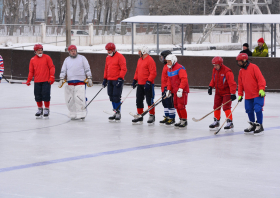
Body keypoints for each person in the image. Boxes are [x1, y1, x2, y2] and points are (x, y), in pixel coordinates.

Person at [59, 45, 93, 120]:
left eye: (74, 50)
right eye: (71, 51)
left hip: (80, 80)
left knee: (80, 97)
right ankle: (73, 112)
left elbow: (87, 68)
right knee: (71, 98)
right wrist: (61, 78)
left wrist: (89, 77)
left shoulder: (82, 58)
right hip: (70, 81)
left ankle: (82, 112)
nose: (73, 52)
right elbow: (63, 70)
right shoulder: (67, 60)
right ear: (69, 52)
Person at [237, 53, 266, 135]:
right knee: (248, 109)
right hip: (248, 94)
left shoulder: (254, 67)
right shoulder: (241, 71)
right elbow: (241, 84)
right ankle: (253, 124)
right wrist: (240, 94)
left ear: (245, 61)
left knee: (257, 108)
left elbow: (261, 79)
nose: (238, 63)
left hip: (257, 93)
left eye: (240, 61)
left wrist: (261, 89)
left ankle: (260, 125)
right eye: (238, 61)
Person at [26, 44, 55, 118]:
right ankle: (40, 109)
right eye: (38, 50)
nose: (40, 51)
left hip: (46, 81)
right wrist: (29, 80)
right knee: (37, 96)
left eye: (41, 50)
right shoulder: (32, 60)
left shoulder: (47, 57)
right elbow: (31, 71)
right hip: (37, 81)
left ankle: (46, 109)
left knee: (46, 95)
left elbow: (51, 67)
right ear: (35, 51)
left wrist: (51, 77)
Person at [208, 56, 237, 130]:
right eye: (214, 65)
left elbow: (232, 83)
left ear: (220, 64)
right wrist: (210, 86)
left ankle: (229, 122)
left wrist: (233, 93)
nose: (215, 67)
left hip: (226, 92)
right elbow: (213, 79)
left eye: (216, 65)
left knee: (226, 107)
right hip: (218, 92)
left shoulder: (227, 71)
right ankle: (216, 121)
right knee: (216, 106)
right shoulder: (214, 70)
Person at [131, 46, 157, 125]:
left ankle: (152, 115)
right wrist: (135, 79)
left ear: (143, 52)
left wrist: (149, 81)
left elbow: (153, 72)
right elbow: (137, 71)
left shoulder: (150, 60)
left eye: (139, 51)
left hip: (148, 84)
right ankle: (140, 116)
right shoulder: (139, 60)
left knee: (149, 100)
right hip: (140, 84)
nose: (138, 53)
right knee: (139, 100)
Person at [102, 42, 127, 122]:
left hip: (117, 79)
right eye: (107, 50)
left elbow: (124, 69)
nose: (108, 52)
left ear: (113, 49)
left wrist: (120, 78)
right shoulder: (107, 58)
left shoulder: (120, 57)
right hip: (110, 79)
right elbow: (106, 69)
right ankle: (115, 111)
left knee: (116, 96)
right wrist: (105, 79)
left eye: (109, 50)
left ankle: (118, 112)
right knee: (111, 96)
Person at [165, 54, 189, 129]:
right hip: (175, 91)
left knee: (181, 105)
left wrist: (181, 89)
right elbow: (169, 81)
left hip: (182, 91)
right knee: (176, 105)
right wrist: (169, 90)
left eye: (169, 62)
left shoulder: (180, 68)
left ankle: (184, 120)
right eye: (167, 62)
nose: (167, 63)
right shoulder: (169, 69)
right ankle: (181, 119)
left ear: (173, 61)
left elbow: (184, 79)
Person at [159, 50, 176, 126]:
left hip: (168, 88)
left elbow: (170, 79)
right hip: (164, 88)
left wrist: (168, 88)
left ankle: (172, 118)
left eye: (163, 57)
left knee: (170, 103)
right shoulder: (165, 66)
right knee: (164, 103)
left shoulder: (169, 66)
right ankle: (167, 116)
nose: (162, 59)